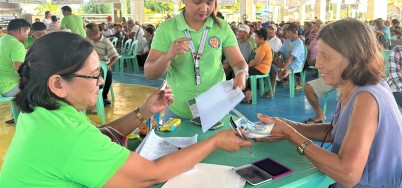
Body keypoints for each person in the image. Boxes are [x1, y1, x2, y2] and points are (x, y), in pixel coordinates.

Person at [0, 31, 251, 186]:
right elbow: (152, 173)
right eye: (94, 76)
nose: (100, 83)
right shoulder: (66, 135)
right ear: (57, 84)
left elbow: (95, 136)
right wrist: (214, 143)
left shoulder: (42, 113)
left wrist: (143, 112)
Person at [255, 19, 402, 187]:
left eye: (325, 56)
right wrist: (287, 125)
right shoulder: (351, 86)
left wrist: (289, 134)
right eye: (318, 54)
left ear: (355, 59)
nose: (318, 63)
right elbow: (336, 130)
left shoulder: (366, 98)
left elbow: (348, 174)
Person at [144, 0, 248, 121]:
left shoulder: (222, 28)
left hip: (216, 107)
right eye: (197, 2)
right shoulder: (167, 29)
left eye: (210, 2)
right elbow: (150, 73)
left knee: (218, 144)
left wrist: (241, 73)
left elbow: (238, 62)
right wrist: (168, 56)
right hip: (177, 109)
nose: (204, 8)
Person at [0, 19, 31, 124]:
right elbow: (21, 70)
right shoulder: (17, 45)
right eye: (27, 33)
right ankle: (28, 120)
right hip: (10, 88)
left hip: (2, 86)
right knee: (41, 88)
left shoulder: (2, 40)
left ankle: (16, 115)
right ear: (22, 30)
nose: (27, 37)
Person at [86, 23, 119, 107]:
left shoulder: (106, 42)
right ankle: (87, 96)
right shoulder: (87, 40)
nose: (87, 35)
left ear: (96, 33)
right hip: (89, 66)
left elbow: (115, 56)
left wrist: (108, 66)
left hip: (101, 66)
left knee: (107, 74)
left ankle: (103, 96)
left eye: (89, 34)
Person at [268, 22, 305, 92]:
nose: (286, 34)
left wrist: (282, 69)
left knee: (280, 67)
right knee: (272, 64)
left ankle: (284, 70)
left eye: (288, 32)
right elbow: (280, 51)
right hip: (286, 61)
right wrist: (276, 56)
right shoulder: (287, 40)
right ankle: (271, 90)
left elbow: (291, 57)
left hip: (295, 64)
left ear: (295, 32)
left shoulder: (299, 43)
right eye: (286, 32)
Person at [242, 28, 272, 103]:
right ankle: (246, 90)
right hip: (261, 68)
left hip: (261, 69)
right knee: (242, 71)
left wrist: (247, 66)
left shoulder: (263, 47)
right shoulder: (264, 45)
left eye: (256, 37)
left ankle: (247, 92)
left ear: (261, 38)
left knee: (241, 72)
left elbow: (257, 62)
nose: (254, 39)